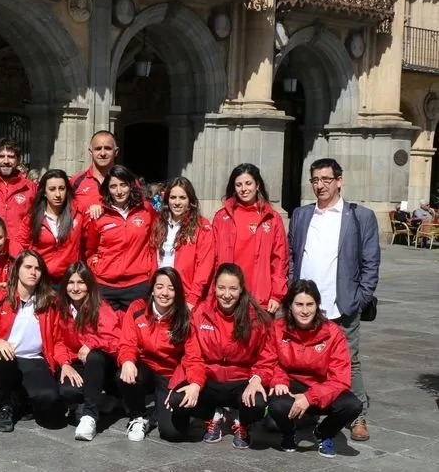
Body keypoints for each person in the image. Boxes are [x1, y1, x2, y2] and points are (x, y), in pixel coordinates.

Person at [287, 158, 380, 442]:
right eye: (315, 180)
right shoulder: (302, 215)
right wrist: (292, 291)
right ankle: (308, 407)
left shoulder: (359, 216)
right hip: (305, 308)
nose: (320, 185)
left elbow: (371, 262)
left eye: (326, 179)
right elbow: (293, 255)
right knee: (302, 361)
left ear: (339, 181)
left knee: (349, 362)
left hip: (342, 305)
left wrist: (359, 299)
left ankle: (357, 416)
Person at [268, 280, 362, 458]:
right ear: (290, 306)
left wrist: (309, 397)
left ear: (317, 305)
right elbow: (270, 360)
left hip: (323, 387)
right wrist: (279, 379)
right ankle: (289, 433)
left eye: (310, 304)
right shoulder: (278, 328)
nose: (304, 311)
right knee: (276, 404)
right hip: (292, 384)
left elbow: (341, 378)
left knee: (352, 405)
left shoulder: (332, 332)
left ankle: (324, 432)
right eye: (299, 304)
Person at [0, 250, 63, 432]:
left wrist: (65, 363)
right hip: (6, 359)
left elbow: (58, 339)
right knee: (3, 360)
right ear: (17, 270)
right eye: (28, 267)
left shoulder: (50, 301)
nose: (33, 272)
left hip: (35, 360)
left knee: (49, 400)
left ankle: (19, 399)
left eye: (37, 269)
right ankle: (5, 406)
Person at [189, 263, 275, 449]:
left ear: (241, 289)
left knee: (258, 403)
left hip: (241, 381)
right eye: (221, 288)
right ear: (214, 287)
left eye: (233, 289)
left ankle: (242, 421)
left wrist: (257, 378)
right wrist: (195, 382)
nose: (226, 294)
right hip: (209, 378)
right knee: (180, 400)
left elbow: (266, 357)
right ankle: (213, 416)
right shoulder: (200, 313)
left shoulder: (256, 319)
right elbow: (193, 355)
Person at [117, 267, 204, 443]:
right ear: (152, 290)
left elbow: (193, 357)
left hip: (169, 375)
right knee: (123, 373)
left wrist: (196, 383)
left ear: (177, 292)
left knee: (173, 434)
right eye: (159, 287)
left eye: (171, 288)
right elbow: (127, 343)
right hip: (145, 368)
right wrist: (127, 360)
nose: (164, 293)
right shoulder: (137, 308)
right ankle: (137, 416)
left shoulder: (184, 318)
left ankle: (166, 412)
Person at [55, 262, 122, 441]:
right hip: (75, 362)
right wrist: (64, 364)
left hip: (101, 363)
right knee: (68, 391)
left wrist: (92, 343)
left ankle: (90, 415)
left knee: (95, 356)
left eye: (81, 282)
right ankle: (97, 401)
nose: (75, 288)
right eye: (71, 282)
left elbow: (115, 339)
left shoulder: (101, 307)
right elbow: (57, 341)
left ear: (89, 285)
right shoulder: (61, 308)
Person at [211, 163, 288, 312]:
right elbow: (212, 258)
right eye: (239, 185)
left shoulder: (272, 218)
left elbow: (279, 259)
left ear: (257, 185)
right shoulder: (222, 217)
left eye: (248, 183)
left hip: (260, 296)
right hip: (228, 295)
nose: (244, 189)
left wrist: (277, 295)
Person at [83, 164, 157, 316]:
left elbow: (155, 241)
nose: (119, 191)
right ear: (107, 189)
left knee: (137, 333)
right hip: (105, 286)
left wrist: (150, 269)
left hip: (138, 284)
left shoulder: (146, 210)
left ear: (131, 186)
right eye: (113, 186)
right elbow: (90, 248)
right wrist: (95, 265)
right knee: (106, 332)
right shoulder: (99, 215)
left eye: (123, 185)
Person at [150, 177, 215, 308]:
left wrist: (192, 298)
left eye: (182, 198)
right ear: (167, 199)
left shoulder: (202, 227)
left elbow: (204, 266)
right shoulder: (159, 223)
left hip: (185, 296)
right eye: (173, 197)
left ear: (190, 200)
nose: (177, 202)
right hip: (160, 294)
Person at [19, 169, 86, 283]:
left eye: (61, 188)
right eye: (52, 189)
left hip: (69, 280)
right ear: (44, 192)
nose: (58, 194)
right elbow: (21, 246)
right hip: (40, 280)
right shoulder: (32, 218)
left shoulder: (78, 214)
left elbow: (89, 246)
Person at [70, 131, 118, 211]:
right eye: (98, 149)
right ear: (90, 152)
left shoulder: (128, 181)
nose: (103, 153)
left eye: (107, 148)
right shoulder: (76, 181)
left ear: (116, 152)